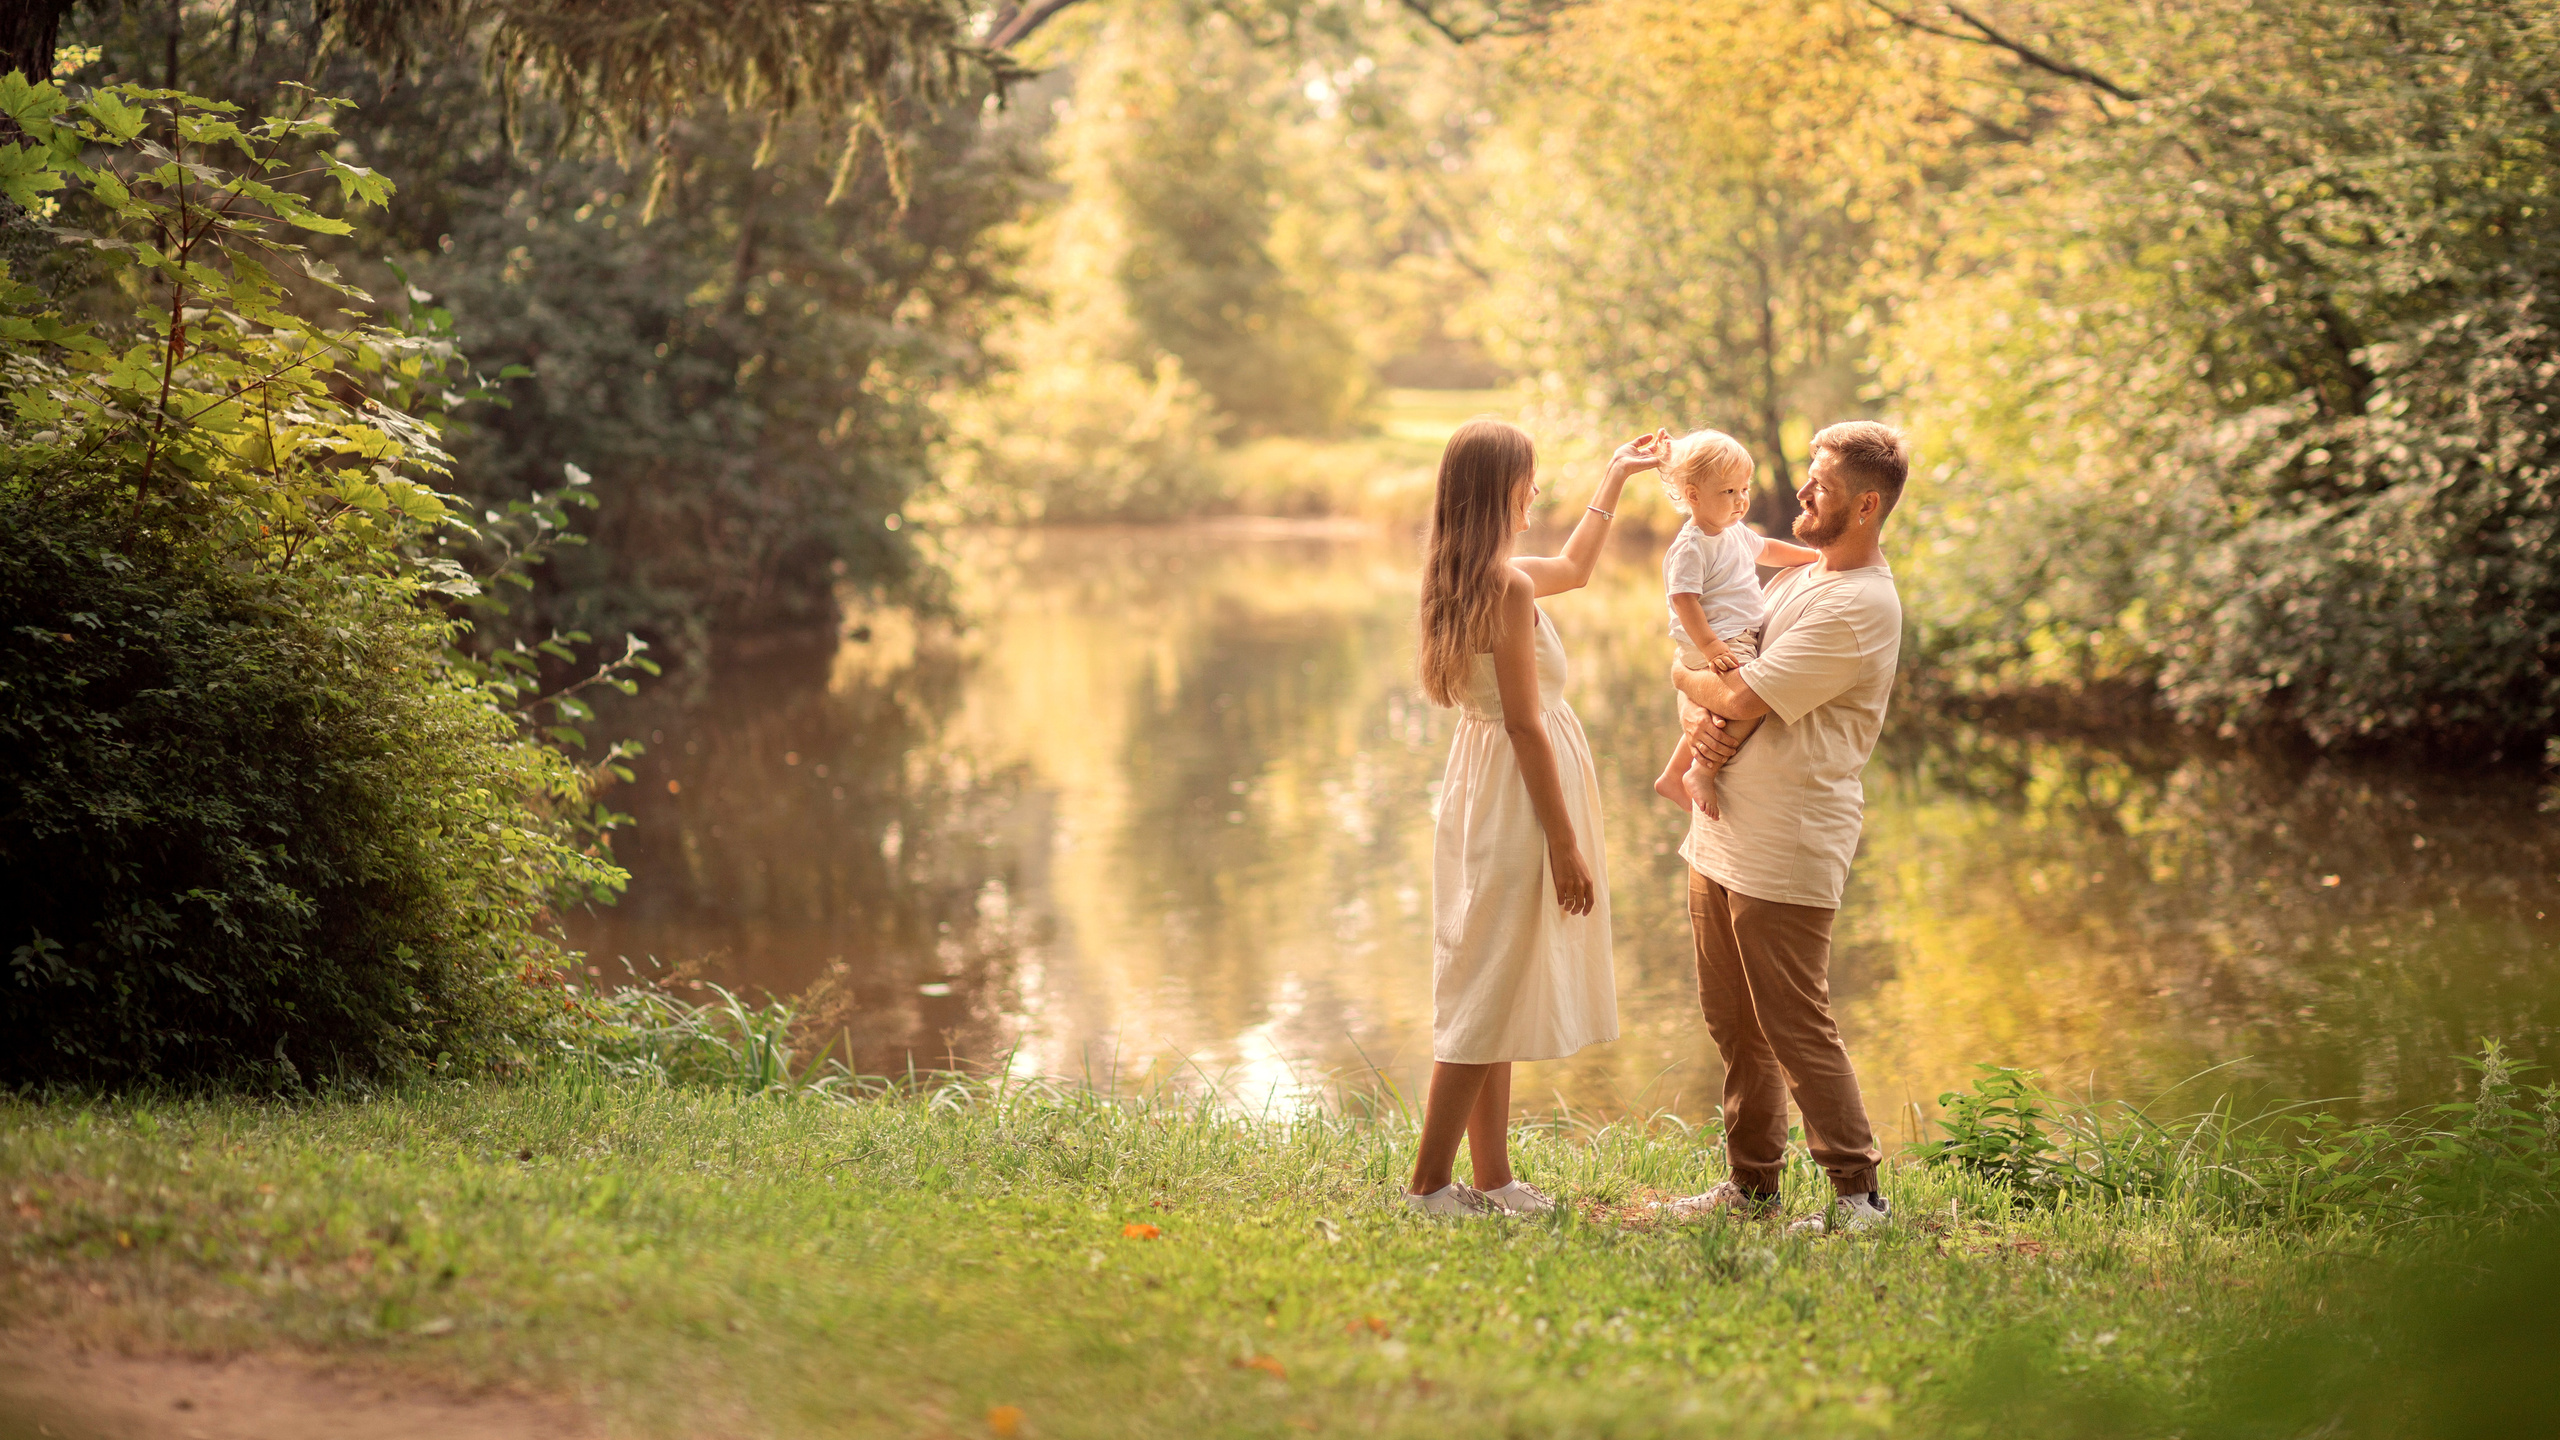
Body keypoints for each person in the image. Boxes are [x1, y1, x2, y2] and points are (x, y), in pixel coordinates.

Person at [1653, 421, 1909, 1236]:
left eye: (1822, 483)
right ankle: (1752, 1185)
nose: (1802, 492)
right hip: (1722, 827)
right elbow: (1728, 645)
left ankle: (1857, 1197)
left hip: (1787, 841)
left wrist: (1678, 672)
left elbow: (1737, 696)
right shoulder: (1803, 579)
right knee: (1733, 1022)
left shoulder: (1859, 605)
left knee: (1796, 1024)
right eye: (1807, 474)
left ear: (1865, 505)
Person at [1403, 418, 1656, 1218]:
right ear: (1498, 491)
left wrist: (1614, 477)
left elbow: (1577, 569)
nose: (1536, 491)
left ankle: (1492, 1179)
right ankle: (1428, 1188)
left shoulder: (1476, 575)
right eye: (1528, 479)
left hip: (1486, 789)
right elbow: (1523, 723)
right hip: (1516, 799)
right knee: (1483, 989)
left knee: (1496, 979)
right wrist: (1565, 844)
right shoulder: (1504, 587)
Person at [1647, 429, 1822, 815]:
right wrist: (1709, 646)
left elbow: (1770, 549)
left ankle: (1673, 776)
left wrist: (1811, 558)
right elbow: (1683, 599)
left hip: (1731, 635)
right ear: (1693, 496)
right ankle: (1702, 771)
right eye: (1728, 492)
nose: (1741, 501)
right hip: (1717, 638)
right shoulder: (1692, 545)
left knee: (1714, 713)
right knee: (1750, 702)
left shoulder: (1735, 532)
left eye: (1744, 489)